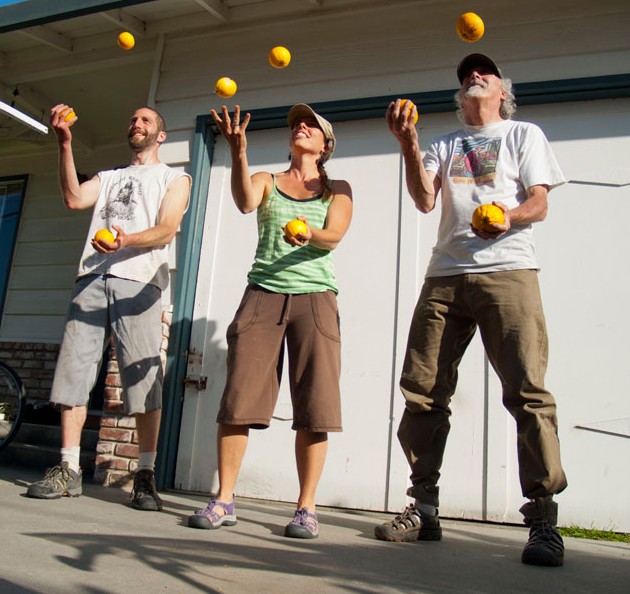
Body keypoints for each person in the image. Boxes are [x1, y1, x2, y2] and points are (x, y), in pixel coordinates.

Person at [375, 53, 568, 567]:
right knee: (423, 390)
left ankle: (544, 519)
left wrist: (507, 218)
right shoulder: (443, 142)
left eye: (484, 74)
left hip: (508, 270)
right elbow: (422, 197)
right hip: (445, 275)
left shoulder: (523, 134)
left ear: (503, 90)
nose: (473, 78)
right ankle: (425, 508)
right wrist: (407, 143)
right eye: (465, 77)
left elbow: (539, 204)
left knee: (527, 389)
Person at [187, 103, 353, 539]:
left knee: (316, 406)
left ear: (325, 143)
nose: (302, 126)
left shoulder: (338, 188)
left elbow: (334, 235)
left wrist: (309, 233)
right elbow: (244, 202)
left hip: (316, 300)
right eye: (297, 123)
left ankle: (306, 508)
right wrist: (238, 150)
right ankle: (224, 499)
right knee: (238, 399)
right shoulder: (268, 180)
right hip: (262, 295)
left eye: (312, 124)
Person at [26, 104, 191, 511]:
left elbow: (168, 228)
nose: (137, 124)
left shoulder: (175, 177)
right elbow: (73, 198)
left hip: (139, 282)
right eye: (133, 119)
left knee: (142, 377)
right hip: (91, 278)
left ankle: (146, 475)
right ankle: (68, 469)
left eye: (146, 120)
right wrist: (64, 143)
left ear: (161, 135)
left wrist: (125, 241)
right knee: (74, 372)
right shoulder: (110, 176)